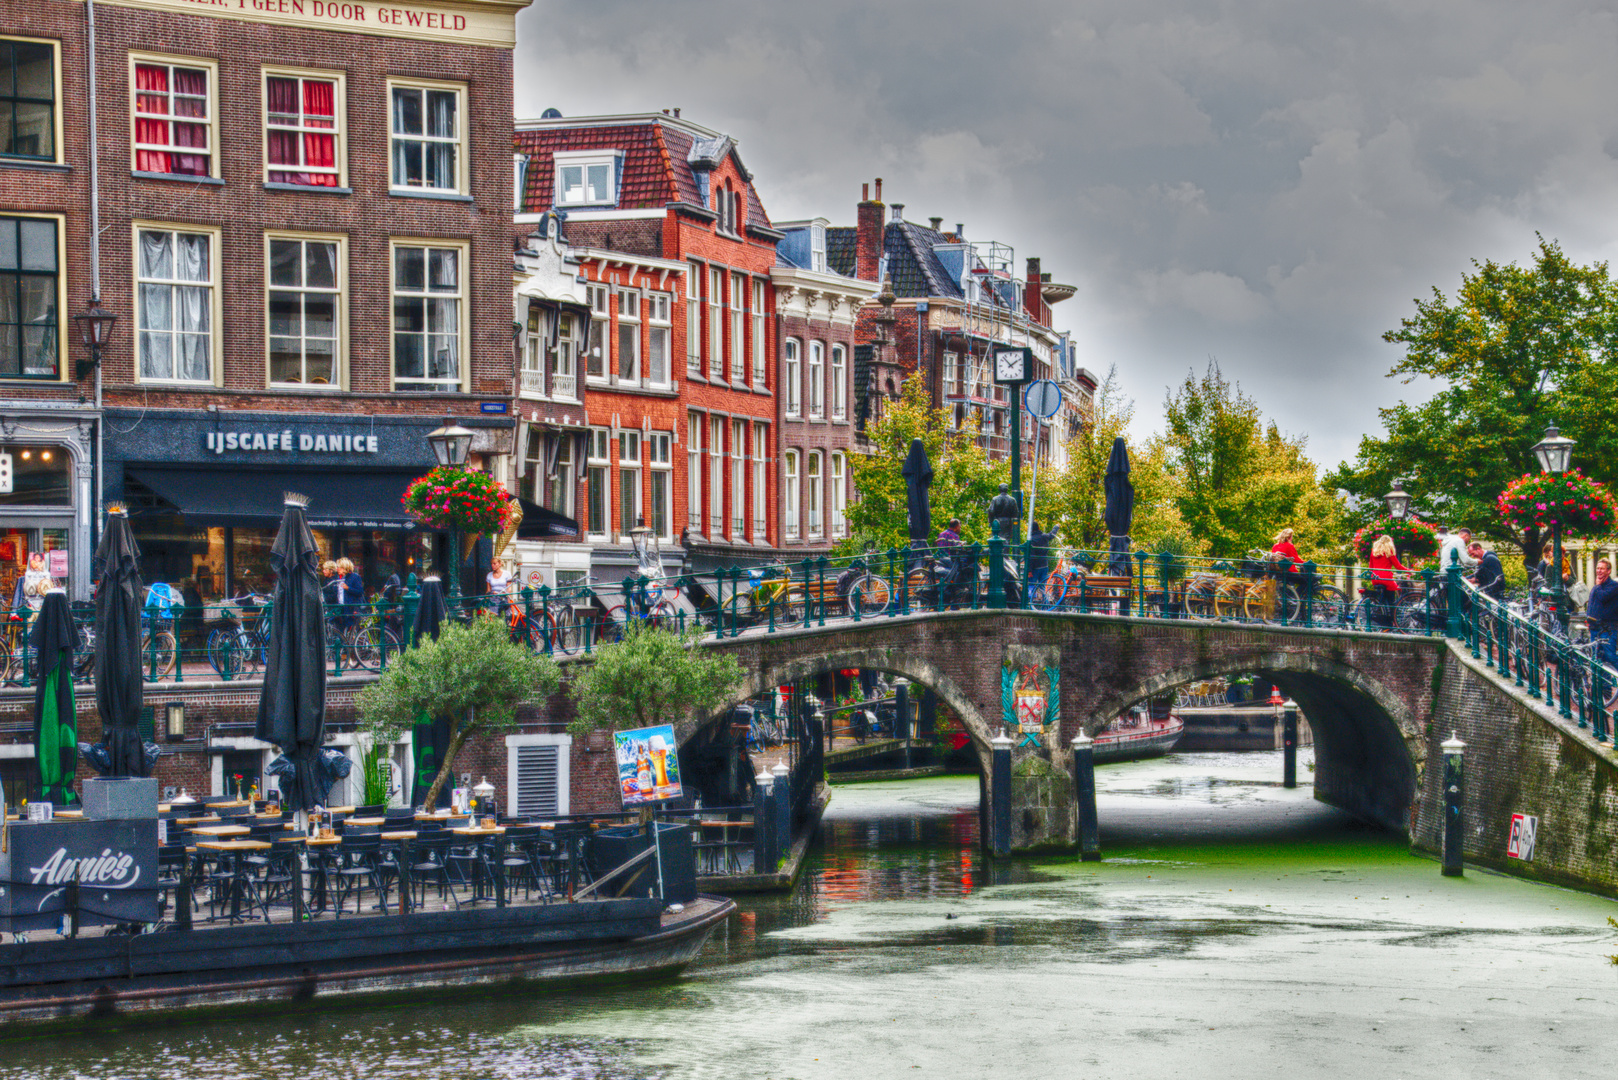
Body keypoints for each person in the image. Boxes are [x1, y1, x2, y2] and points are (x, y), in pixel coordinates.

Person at [1367, 534, 1408, 628]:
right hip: (1386, 579)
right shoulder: (1389, 552)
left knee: (1382, 599)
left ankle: (1383, 618)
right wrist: (1409, 571)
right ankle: (1393, 622)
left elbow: (1370, 568)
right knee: (1392, 600)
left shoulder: (1374, 552)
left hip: (1375, 579)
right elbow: (1398, 566)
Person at [1587, 557, 1618, 666]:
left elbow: (1603, 597)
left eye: (1602, 569)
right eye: (1597, 568)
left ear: (1608, 571)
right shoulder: (1597, 587)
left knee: (1610, 657)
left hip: (1608, 629)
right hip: (1595, 628)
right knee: (1596, 658)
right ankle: (1603, 683)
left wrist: (1598, 586)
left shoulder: (1614, 586)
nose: (1599, 571)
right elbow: (1591, 603)